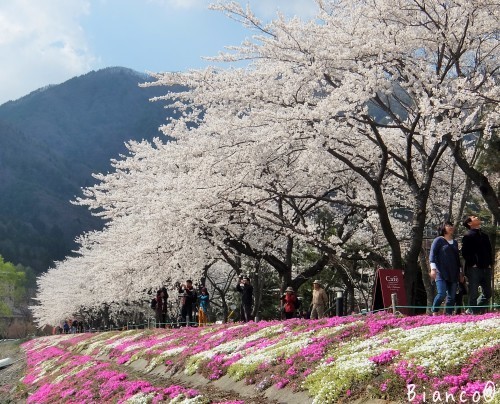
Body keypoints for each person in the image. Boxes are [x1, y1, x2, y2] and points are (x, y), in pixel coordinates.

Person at [461, 215, 493, 314]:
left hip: (486, 268)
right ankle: (472, 314)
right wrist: (473, 263)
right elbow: (465, 252)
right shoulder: (468, 235)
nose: (477, 217)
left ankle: (471, 310)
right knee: (473, 293)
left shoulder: (484, 235)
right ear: (469, 223)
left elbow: (489, 251)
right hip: (474, 269)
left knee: (488, 293)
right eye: (474, 217)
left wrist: (490, 263)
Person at [429, 221, 461, 315]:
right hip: (441, 272)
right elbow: (432, 255)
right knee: (441, 294)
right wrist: (433, 269)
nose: (451, 227)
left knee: (452, 296)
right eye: (448, 225)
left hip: (454, 272)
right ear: (443, 228)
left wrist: (460, 272)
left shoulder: (455, 242)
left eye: (451, 225)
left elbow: (457, 259)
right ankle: (434, 311)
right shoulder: (438, 240)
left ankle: (448, 314)